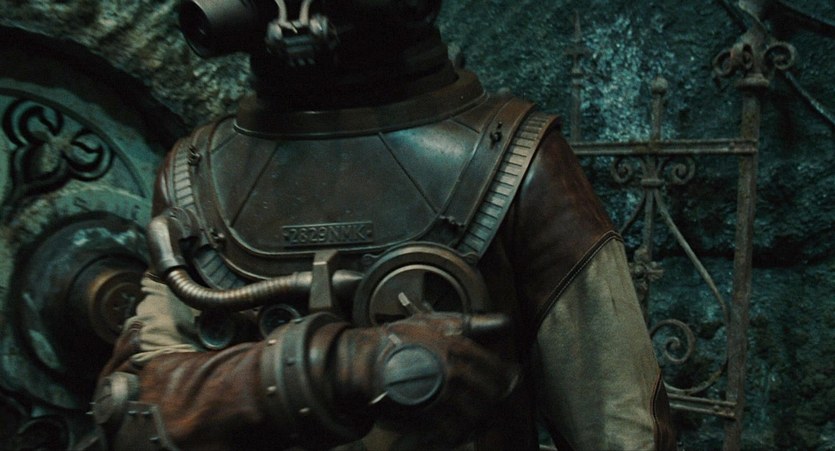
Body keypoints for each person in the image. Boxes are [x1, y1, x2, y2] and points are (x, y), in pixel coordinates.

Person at [90, 0, 675, 449]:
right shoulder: (201, 176)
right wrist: (344, 366)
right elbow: (135, 409)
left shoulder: (517, 164)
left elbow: (621, 427)